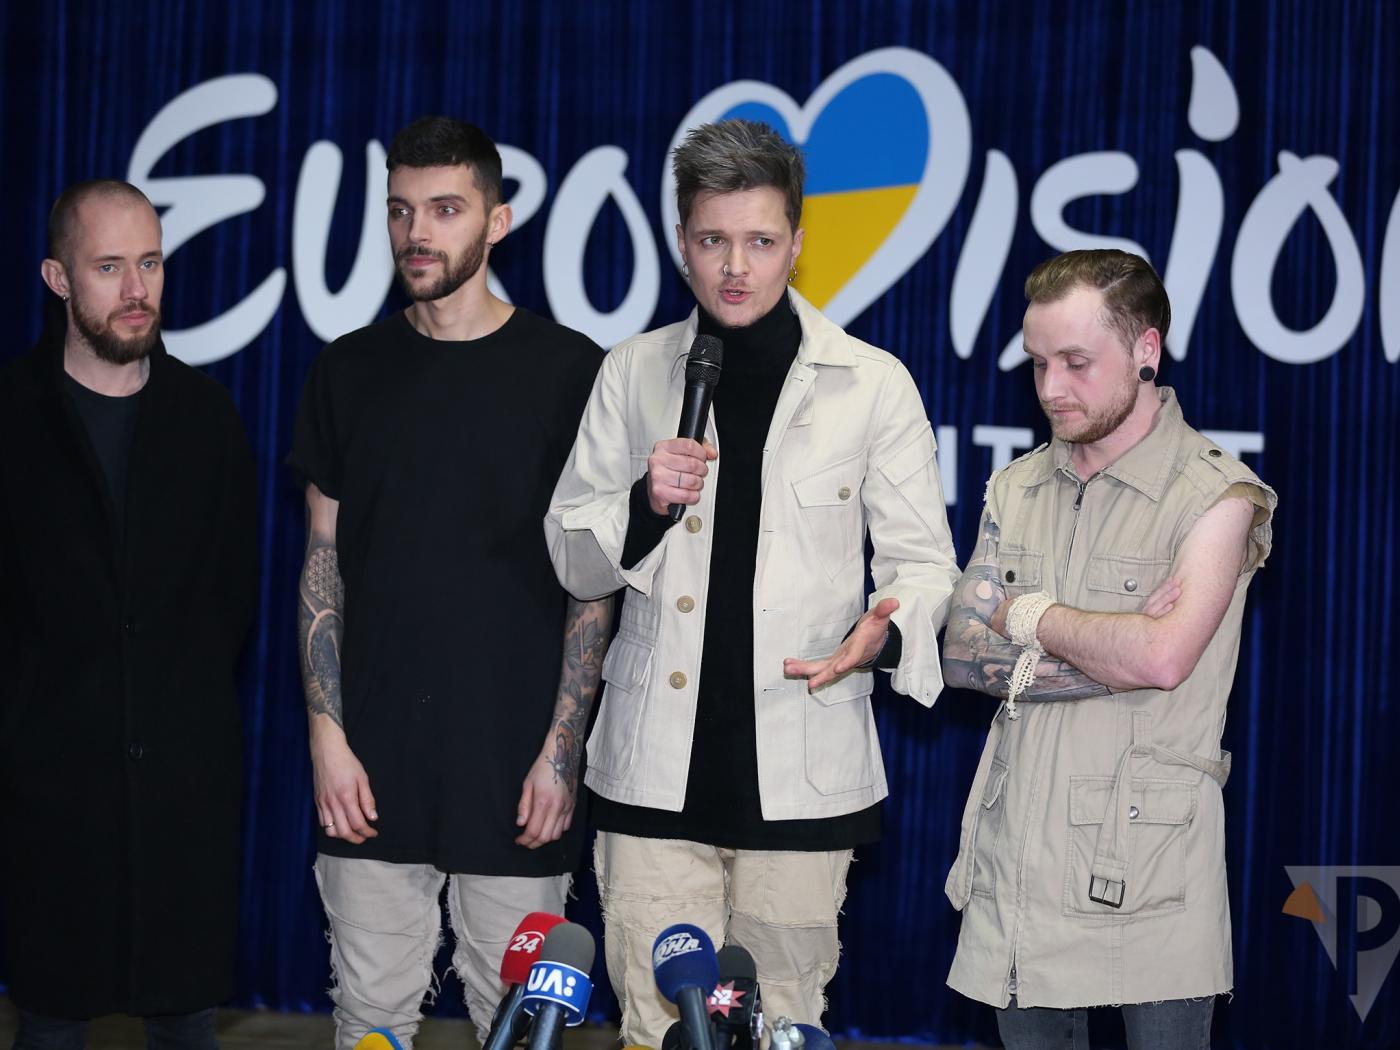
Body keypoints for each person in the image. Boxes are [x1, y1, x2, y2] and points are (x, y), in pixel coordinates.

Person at [546, 119, 959, 1043]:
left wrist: (886, 630)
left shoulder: (872, 384)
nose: (736, 267)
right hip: (651, 777)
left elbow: (926, 565)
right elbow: (570, 558)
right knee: (657, 1031)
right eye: (713, 240)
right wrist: (643, 504)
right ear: (681, 241)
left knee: (784, 1030)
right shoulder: (632, 372)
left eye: (761, 241)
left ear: (798, 243)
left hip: (803, 772)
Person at [288, 116, 610, 1050]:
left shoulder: (571, 371)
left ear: (496, 222)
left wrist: (561, 752)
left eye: (443, 209)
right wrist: (326, 739)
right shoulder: (347, 370)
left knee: (520, 1030)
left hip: (516, 777)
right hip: (369, 772)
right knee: (369, 1025)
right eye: (400, 210)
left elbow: (594, 585)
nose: (416, 232)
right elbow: (320, 564)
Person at [941, 249, 1276, 1050]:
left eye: (1076, 362)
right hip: (1017, 871)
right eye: (1038, 363)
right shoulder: (1015, 485)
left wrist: (1021, 613)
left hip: (1147, 874)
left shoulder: (1217, 494)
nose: (1051, 387)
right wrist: (1116, 649)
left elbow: (1160, 661)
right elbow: (960, 654)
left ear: (1145, 350)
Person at [0, 180, 257, 1047]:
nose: (136, 289)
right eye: (109, 267)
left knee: (187, 1027)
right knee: (48, 1027)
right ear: (57, 278)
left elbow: (231, 603)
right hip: (46, 804)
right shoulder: (10, 418)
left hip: (184, 803)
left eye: (149, 262)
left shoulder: (208, 420)